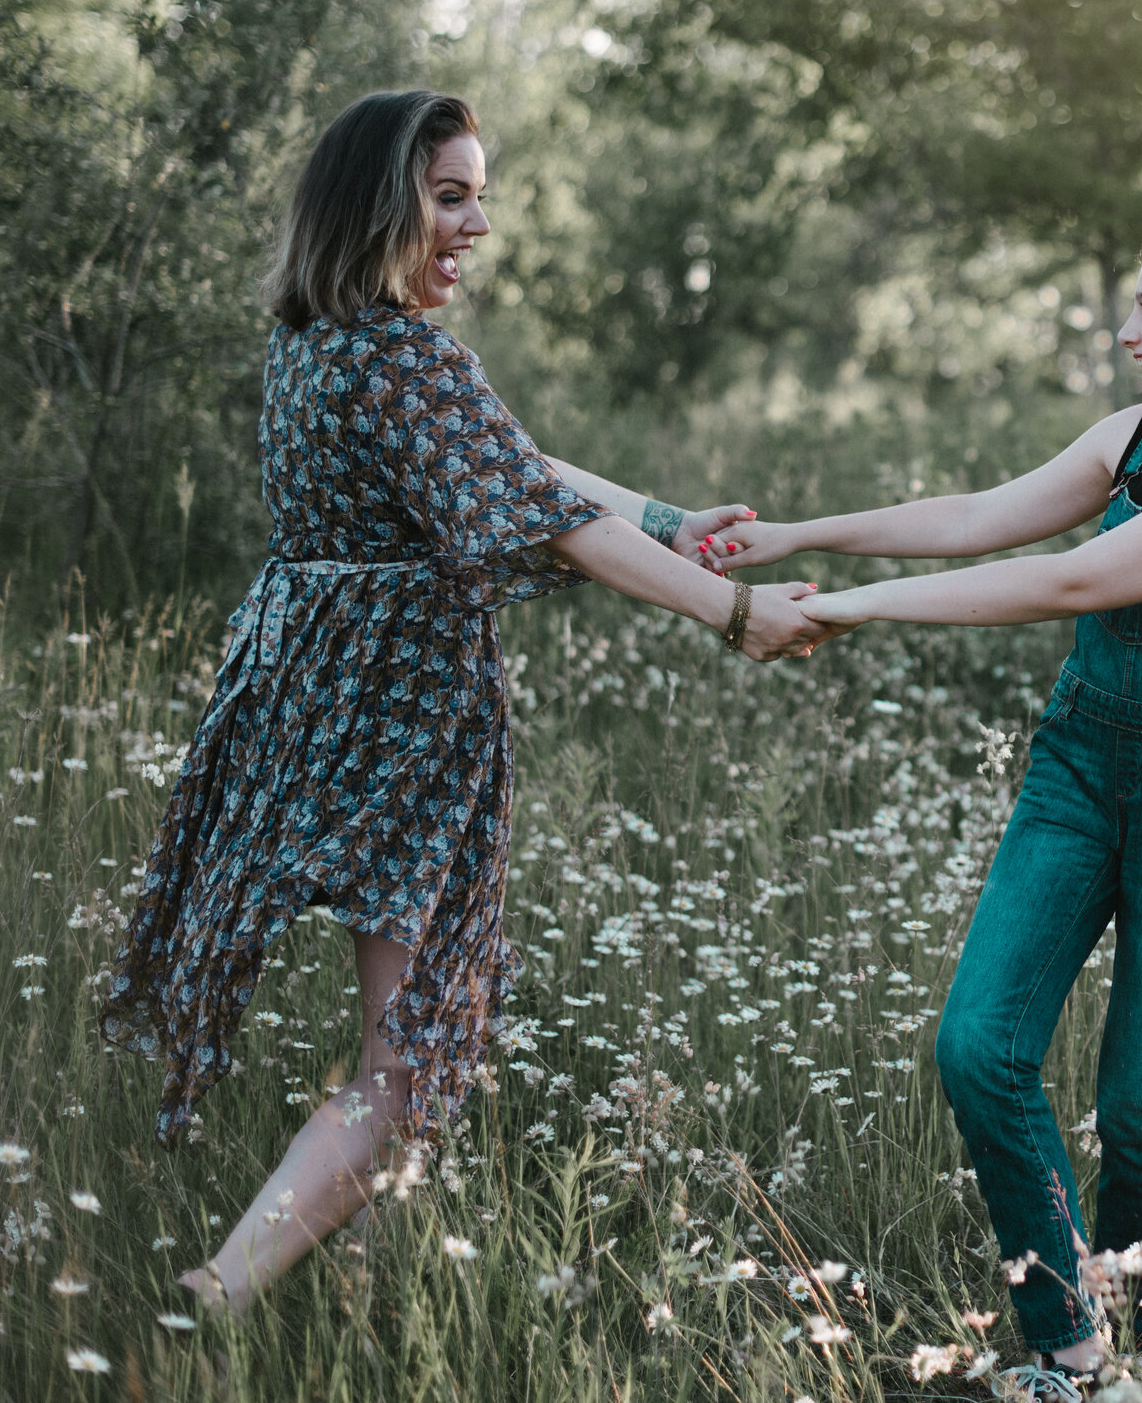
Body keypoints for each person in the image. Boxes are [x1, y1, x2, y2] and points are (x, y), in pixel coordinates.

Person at [97, 89, 829, 1312]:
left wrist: (665, 521)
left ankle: (365, 1296)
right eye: (450, 196)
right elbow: (546, 516)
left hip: (309, 705)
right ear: (376, 204)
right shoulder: (403, 357)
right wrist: (738, 615)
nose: (476, 223)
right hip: (400, 728)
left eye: (478, 196)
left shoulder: (316, 344)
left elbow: (511, 463)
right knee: (409, 1067)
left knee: (408, 1053)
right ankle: (215, 1300)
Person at [707, 188, 1142, 1394]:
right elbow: (976, 517)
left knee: (1136, 1101)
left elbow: (1074, 584)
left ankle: (1137, 1362)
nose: (1129, 331)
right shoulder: (1134, 437)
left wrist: (850, 614)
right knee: (978, 1048)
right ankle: (1069, 1338)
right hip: (1079, 767)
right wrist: (803, 537)